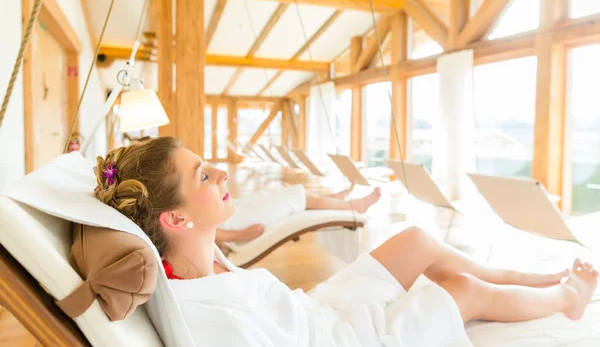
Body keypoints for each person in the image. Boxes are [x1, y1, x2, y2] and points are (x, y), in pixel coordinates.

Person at [94, 137, 598, 346]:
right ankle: (565, 298)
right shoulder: (203, 315)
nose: (222, 171)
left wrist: (226, 230)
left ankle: (522, 277)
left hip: (319, 311)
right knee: (458, 287)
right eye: (205, 175)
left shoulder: (192, 257)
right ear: (176, 219)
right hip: (338, 339)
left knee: (416, 240)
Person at [216, 182, 381, 243]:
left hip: (238, 209)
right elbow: (196, 230)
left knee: (287, 194)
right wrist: (239, 235)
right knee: (293, 195)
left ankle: (334, 199)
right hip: (239, 218)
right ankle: (352, 206)